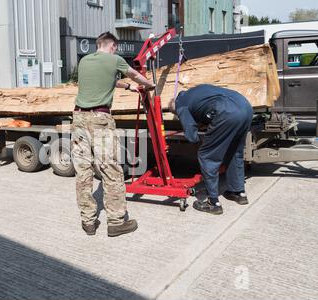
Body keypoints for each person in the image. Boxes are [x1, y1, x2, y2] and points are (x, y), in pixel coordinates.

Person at [72, 32, 156, 237]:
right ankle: (116, 222)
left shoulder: (84, 61)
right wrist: (148, 85)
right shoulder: (114, 59)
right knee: (110, 169)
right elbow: (134, 74)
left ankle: (88, 221)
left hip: (78, 119)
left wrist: (127, 87)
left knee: (83, 171)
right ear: (113, 47)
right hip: (100, 120)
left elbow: (109, 79)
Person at [168, 84, 253, 215]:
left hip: (227, 113)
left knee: (207, 155)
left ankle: (213, 203)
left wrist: (198, 135)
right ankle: (238, 193)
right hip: (246, 107)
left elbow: (192, 136)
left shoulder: (181, 104)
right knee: (235, 151)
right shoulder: (195, 92)